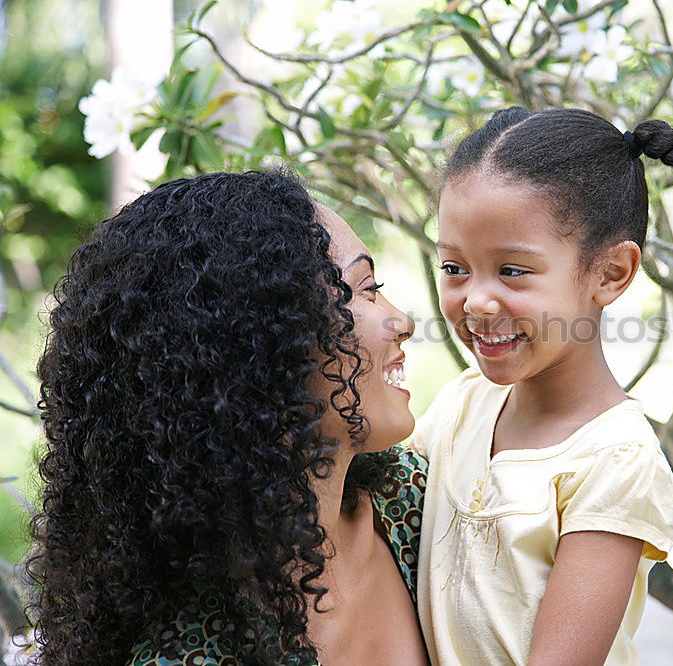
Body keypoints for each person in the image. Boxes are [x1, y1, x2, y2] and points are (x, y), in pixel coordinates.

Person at [411, 107, 673, 665]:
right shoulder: (460, 407)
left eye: (513, 270)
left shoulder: (614, 462)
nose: (477, 300)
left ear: (611, 273)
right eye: (454, 268)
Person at [27, 170, 428, 666]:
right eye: (365, 289)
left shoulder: (417, 505)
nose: (404, 321)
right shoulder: (193, 654)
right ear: (262, 350)